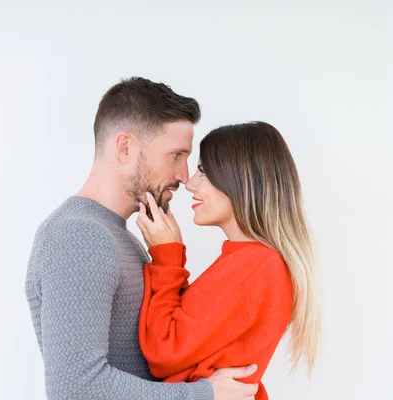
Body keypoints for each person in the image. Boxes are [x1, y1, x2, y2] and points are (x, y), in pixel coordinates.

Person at [25, 77, 260, 400]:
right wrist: (204, 395)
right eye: (176, 155)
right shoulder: (79, 235)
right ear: (125, 147)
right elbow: (76, 388)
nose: (184, 175)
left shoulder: (122, 238)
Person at [136, 121, 321, 400]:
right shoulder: (255, 261)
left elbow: (165, 352)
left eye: (204, 172)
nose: (189, 183)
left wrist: (167, 257)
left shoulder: (256, 266)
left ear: (241, 179)